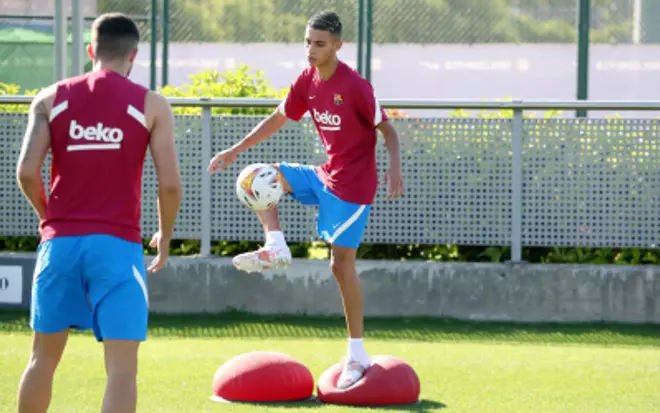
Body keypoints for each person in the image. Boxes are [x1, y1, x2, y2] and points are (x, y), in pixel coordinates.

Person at [207, 10, 404, 390]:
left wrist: (394, 169)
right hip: (325, 174)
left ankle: (357, 354)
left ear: (337, 46)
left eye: (319, 44)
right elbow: (277, 119)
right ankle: (276, 246)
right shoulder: (307, 80)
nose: (311, 50)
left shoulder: (355, 86)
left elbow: (388, 131)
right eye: (308, 42)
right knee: (259, 177)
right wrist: (236, 149)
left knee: (339, 266)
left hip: (354, 189)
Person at [15, 13, 182, 413]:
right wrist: (165, 235)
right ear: (134, 55)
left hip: (59, 245)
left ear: (91, 51)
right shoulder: (152, 104)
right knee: (121, 372)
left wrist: (48, 216)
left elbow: (25, 171)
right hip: (117, 249)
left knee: (42, 361)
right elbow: (171, 184)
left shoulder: (50, 98)